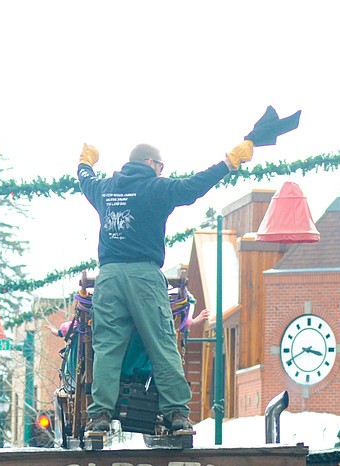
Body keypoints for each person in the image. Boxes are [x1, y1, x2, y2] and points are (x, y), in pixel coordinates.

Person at [77, 138, 255, 436]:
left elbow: (85, 180)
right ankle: (176, 415)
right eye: (161, 166)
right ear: (150, 163)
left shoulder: (106, 188)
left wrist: (85, 162)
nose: (162, 172)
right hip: (144, 277)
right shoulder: (155, 187)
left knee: (106, 348)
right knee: (161, 343)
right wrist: (228, 162)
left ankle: (99, 418)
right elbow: (192, 187)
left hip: (108, 278)